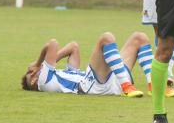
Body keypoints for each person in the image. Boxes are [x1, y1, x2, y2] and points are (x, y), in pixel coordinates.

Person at [21, 32, 155, 96]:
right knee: (106, 39)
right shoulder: (43, 82)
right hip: (92, 86)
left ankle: (153, 85)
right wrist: (39, 63)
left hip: (110, 79)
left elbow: (73, 47)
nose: (32, 70)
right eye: (30, 73)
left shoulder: (59, 75)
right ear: (33, 80)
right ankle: (127, 86)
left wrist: (48, 62)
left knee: (139, 38)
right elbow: (52, 44)